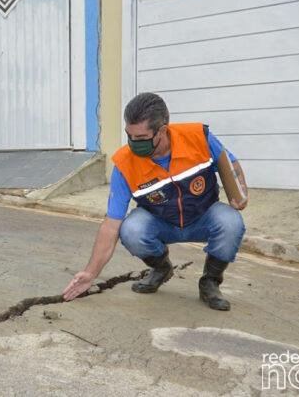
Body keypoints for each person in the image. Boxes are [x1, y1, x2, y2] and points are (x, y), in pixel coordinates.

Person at [62, 92, 247, 311]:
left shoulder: (199, 137)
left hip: (203, 216)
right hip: (161, 222)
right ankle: (161, 268)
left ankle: (210, 282)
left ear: (162, 130)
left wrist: (241, 193)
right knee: (131, 229)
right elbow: (111, 224)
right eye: (129, 136)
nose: (133, 144)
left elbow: (230, 163)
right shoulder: (124, 163)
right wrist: (90, 273)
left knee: (231, 222)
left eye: (140, 138)